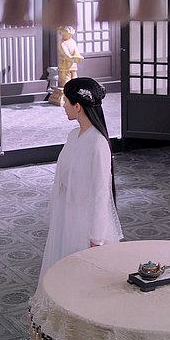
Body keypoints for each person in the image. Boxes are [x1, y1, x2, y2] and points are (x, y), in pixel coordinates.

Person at [38, 77, 123, 284]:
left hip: (85, 223)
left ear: (77, 107)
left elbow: (101, 193)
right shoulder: (73, 135)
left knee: (82, 280)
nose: (63, 105)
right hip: (66, 215)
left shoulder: (97, 144)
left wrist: (97, 237)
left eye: (66, 101)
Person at [48, 26, 83, 106]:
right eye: (63, 34)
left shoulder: (73, 42)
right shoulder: (62, 43)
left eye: (66, 34)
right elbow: (65, 53)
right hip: (64, 64)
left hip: (73, 64)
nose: (64, 36)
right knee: (65, 81)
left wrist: (78, 56)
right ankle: (67, 98)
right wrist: (71, 58)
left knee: (74, 79)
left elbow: (76, 51)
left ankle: (74, 96)